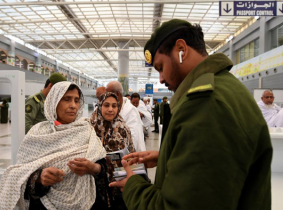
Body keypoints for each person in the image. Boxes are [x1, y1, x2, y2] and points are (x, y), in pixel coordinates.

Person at [109, 19, 272, 210]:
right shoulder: (224, 88)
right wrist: (169, 157)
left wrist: (133, 186)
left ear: (181, 49)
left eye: (161, 67)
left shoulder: (206, 105)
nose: (160, 79)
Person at [0, 82, 109, 210]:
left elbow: (103, 168)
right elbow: (20, 173)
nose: (73, 105)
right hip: (44, 205)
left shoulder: (87, 131)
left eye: (76, 100)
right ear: (54, 101)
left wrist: (93, 168)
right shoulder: (38, 132)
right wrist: (39, 178)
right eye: (66, 99)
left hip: (87, 203)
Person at [90, 92, 136, 209]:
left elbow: (131, 152)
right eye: (106, 105)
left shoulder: (123, 128)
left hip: (119, 182)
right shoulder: (90, 127)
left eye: (114, 106)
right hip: (95, 183)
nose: (110, 109)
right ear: (100, 106)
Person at [106, 81, 146, 152]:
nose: (106, 97)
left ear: (117, 94)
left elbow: (134, 137)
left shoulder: (130, 111)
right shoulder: (112, 108)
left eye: (108, 94)